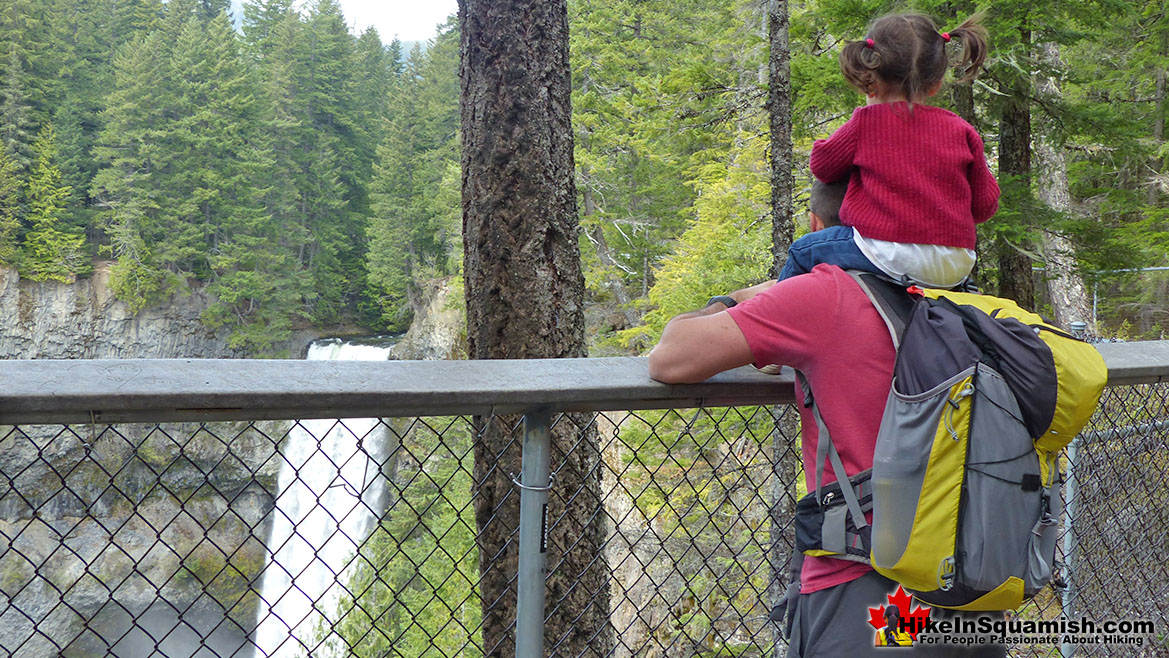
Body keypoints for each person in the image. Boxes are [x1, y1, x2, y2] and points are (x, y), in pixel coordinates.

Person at [648, 180, 1005, 657]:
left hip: (864, 585)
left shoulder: (825, 295)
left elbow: (671, 358)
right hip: (973, 569)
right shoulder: (970, 303)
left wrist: (737, 300)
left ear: (818, 226)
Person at [777, 12, 999, 289]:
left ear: (870, 76)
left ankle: (776, 327)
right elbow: (985, 206)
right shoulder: (961, 129)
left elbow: (822, 167)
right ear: (937, 83)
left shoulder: (866, 123)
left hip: (888, 254)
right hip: (957, 262)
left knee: (802, 250)